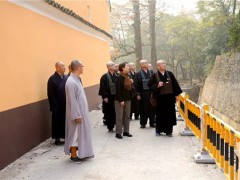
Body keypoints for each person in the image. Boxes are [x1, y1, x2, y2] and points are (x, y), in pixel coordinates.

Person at [64, 60, 94, 163]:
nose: (83, 68)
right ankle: (73, 155)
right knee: (75, 134)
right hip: (77, 114)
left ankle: (84, 152)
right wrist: (77, 115)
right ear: (78, 68)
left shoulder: (76, 79)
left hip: (82, 112)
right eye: (82, 66)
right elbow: (73, 101)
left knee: (82, 134)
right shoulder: (71, 82)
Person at [148, 60, 182, 137]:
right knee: (160, 114)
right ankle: (158, 130)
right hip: (160, 98)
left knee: (170, 114)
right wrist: (157, 85)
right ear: (158, 66)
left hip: (169, 98)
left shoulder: (170, 74)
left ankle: (169, 131)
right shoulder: (154, 75)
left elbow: (175, 85)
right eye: (162, 64)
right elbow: (149, 85)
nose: (164, 65)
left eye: (164, 63)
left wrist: (177, 95)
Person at [47, 62, 68, 145]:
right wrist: (54, 106)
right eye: (62, 66)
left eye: (64, 65)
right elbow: (51, 94)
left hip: (66, 104)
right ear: (57, 68)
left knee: (66, 121)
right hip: (57, 105)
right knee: (57, 121)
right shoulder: (52, 79)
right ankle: (57, 138)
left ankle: (66, 136)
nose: (64, 67)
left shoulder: (66, 77)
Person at [134, 60, 155, 128]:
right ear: (142, 65)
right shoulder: (138, 74)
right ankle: (143, 123)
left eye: (147, 62)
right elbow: (136, 85)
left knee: (152, 108)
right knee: (143, 108)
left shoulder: (152, 72)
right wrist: (138, 94)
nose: (147, 63)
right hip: (143, 93)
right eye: (145, 63)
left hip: (151, 93)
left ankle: (152, 122)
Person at [115, 62, 133, 139]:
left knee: (127, 116)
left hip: (128, 98)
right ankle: (118, 133)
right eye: (127, 66)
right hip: (120, 100)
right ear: (122, 68)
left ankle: (126, 131)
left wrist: (131, 83)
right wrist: (121, 100)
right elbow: (118, 90)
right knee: (119, 116)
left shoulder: (128, 76)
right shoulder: (118, 77)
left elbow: (130, 88)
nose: (128, 67)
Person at [98, 61, 117, 132]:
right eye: (113, 65)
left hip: (116, 96)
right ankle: (110, 127)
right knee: (109, 112)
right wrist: (105, 97)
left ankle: (115, 124)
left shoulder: (116, 75)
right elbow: (103, 88)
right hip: (109, 97)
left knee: (115, 111)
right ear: (109, 67)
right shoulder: (104, 76)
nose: (115, 65)